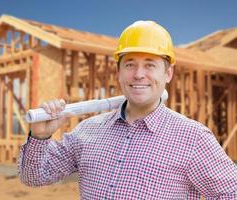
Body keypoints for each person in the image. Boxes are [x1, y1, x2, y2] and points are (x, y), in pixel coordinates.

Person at [19, 21, 237, 199]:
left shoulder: (192, 138)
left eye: (150, 64)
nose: (138, 74)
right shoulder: (87, 131)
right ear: (119, 72)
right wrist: (40, 136)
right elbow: (33, 177)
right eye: (130, 64)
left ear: (168, 74)